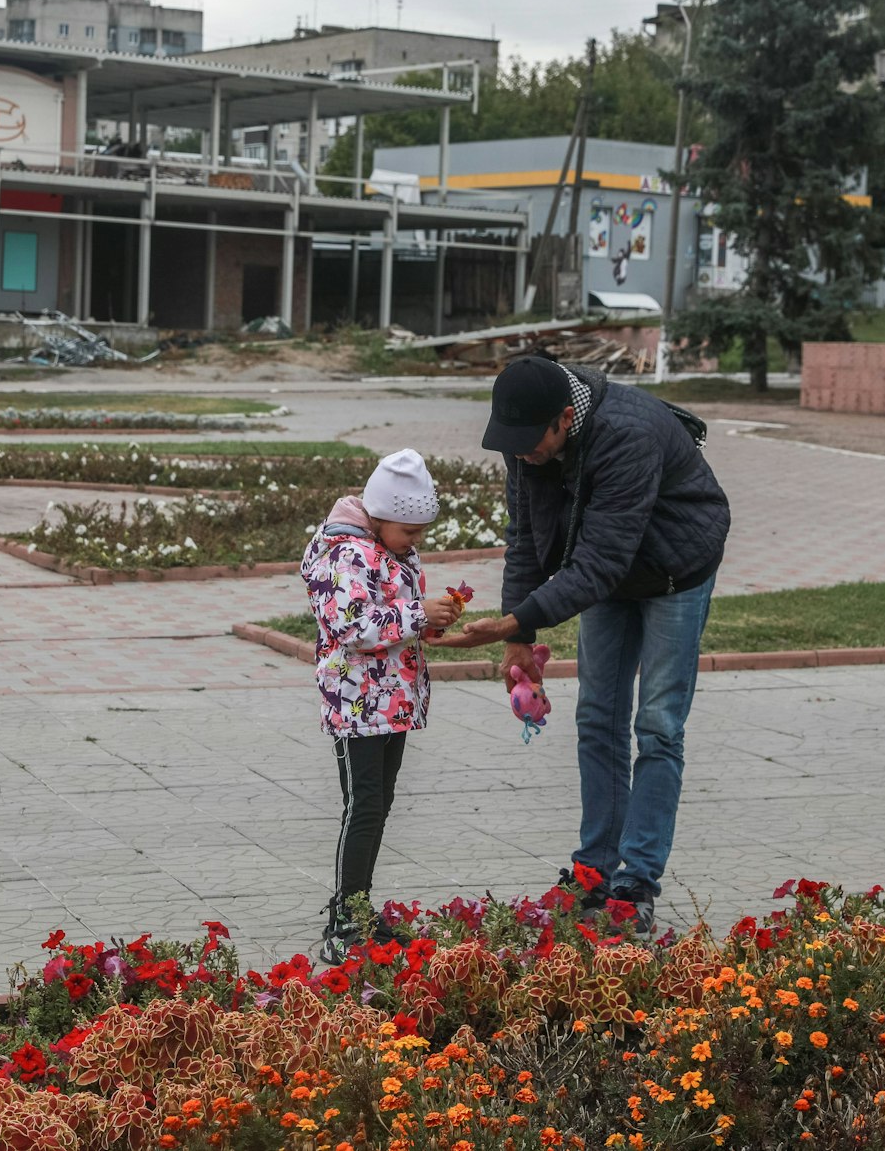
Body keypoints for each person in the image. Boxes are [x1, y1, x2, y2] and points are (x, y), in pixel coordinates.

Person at [440, 355, 730, 934]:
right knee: (598, 716)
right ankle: (594, 871)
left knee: (658, 725)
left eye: (530, 442)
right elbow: (524, 537)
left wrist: (510, 621)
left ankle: (637, 882)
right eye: (511, 442)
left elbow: (598, 563)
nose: (520, 453)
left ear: (565, 419)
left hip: (676, 570)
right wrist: (519, 637)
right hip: (612, 573)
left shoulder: (628, 434)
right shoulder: (528, 438)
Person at [301, 448, 462, 962]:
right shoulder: (347, 555)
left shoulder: (391, 552)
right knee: (363, 806)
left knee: (379, 803)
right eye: (410, 532)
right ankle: (345, 923)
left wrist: (430, 621)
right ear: (380, 515)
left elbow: (393, 617)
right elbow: (351, 628)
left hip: (390, 698)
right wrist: (416, 614)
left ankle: (359, 909)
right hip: (357, 702)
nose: (417, 542)